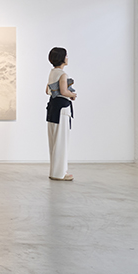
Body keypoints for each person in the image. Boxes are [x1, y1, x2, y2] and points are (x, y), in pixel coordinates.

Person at [46, 46, 77, 182]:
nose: (67, 58)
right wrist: (72, 95)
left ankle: (55, 171)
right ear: (62, 59)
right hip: (62, 109)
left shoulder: (52, 73)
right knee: (62, 142)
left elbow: (47, 91)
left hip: (52, 108)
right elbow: (64, 92)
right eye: (66, 56)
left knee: (54, 141)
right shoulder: (63, 74)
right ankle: (60, 173)